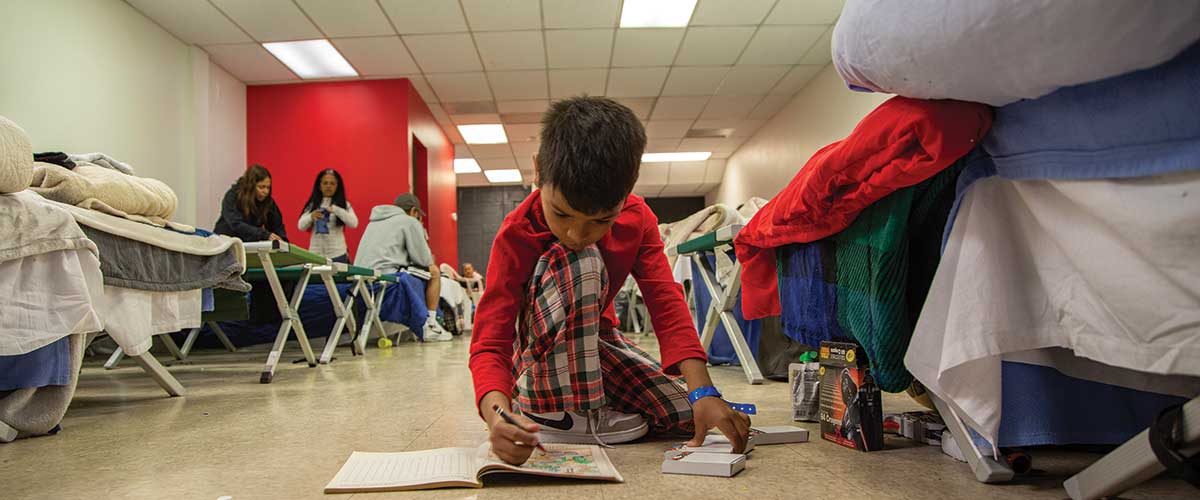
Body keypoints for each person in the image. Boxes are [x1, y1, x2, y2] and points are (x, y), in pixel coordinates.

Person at [470, 97, 751, 466]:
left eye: (601, 221)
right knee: (579, 258)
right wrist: (498, 415)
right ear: (538, 171)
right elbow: (491, 338)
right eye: (561, 213)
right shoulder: (516, 234)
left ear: (628, 190)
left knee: (684, 413)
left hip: (599, 343)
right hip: (537, 358)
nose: (576, 231)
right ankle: (553, 411)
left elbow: (665, 302)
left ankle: (593, 401)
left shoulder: (639, 219)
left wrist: (703, 392)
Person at [355, 193, 452, 342]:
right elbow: (424, 260)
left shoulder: (372, 223)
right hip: (385, 275)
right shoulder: (409, 221)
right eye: (418, 215)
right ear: (414, 211)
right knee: (434, 272)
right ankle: (431, 325)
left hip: (361, 278)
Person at [297, 169, 358, 262]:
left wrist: (336, 210)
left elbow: (354, 223)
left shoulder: (344, 205)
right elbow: (300, 226)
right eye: (325, 183)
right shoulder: (312, 205)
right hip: (315, 254)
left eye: (332, 183)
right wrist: (311, 216)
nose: (328, 186)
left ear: (337, 186)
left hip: (338, 255)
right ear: (319, 186)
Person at [214, 164, 286, 242]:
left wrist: (282, 240)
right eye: (261, 187)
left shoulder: (268, 202)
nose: (266, 192)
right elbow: (235, 223)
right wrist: (264, 235)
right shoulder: (233, 196)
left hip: (247, 244)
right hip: (225, 243)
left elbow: (277, 226)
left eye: (268, 187)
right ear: (251, 186)